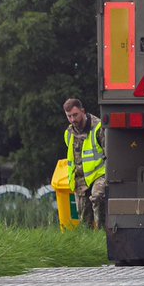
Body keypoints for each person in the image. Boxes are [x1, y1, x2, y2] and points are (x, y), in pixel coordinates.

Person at [63, 97, 107, 230]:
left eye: (75, 115)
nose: (72, 119)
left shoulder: (98, 128)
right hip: (80, 179)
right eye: (69, 116)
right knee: (84, 219)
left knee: (98, 198)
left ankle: (103, 235)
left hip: (99, 174)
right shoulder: (69, 133)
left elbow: (109, 154)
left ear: (83, 111)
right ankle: (90, 243)